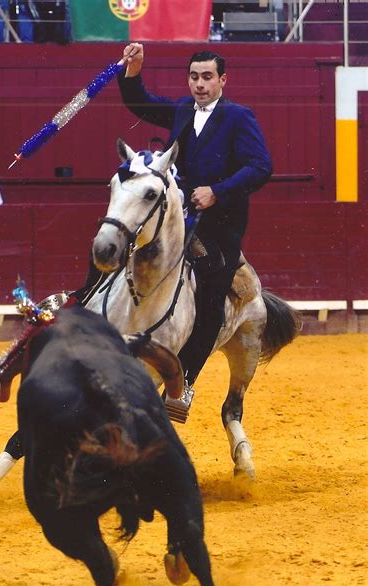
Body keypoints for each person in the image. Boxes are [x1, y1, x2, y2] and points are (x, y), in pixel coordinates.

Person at [117, 43, 273, 416]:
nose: (200, 84)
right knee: (122, 246)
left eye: (207, 77)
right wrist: (134, 69)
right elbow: (140, 104)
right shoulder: (183, 111)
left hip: (221, 226)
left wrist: (218, 192)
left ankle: (184, 380)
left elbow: (260, 166)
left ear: (222, 80)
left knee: (211, 292)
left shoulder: (238, 117)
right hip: (181, 220)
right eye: (194, 77)